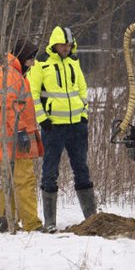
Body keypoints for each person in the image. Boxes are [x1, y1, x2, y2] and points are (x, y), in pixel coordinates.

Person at [27, 25, 96, 232]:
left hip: (77, 127)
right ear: (54, 44)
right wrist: (42, 119)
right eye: (63, 44)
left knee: (82, 170)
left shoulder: (74, 63)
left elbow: (82, 89)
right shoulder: (42, 64)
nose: (66, 48)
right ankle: (50, 222)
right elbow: (33, 93)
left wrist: (83, 115)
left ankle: (92, 220)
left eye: (68, 44)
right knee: (50, 172)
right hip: (53, 128)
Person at [0, 41, 43, 232]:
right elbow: (9, 107)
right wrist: (20, 131)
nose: (33, 63)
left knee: (8, 181)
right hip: (15, 140)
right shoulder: (11, 76)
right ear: (21, 56)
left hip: (8, 139)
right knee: (24, 181)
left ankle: (6, 222)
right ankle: (31, 224)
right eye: (30, 58)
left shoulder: (10, 73)